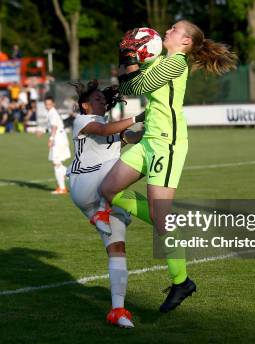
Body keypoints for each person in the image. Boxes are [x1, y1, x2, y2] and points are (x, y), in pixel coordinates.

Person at [98, 21, 237, 313]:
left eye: (174, 29)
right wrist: (128, 61)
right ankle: (166, 224)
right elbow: (132, 87)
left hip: (168, 144)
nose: (167, 31)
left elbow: (139, 86)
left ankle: (182, 281)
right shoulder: (160, 58)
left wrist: (129, 62)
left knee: (161, 220)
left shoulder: (176, 63)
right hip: (150, 139)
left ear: (185, 41)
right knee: (109, 189)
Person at [67, 80, 146, 328]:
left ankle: (118, 310)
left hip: (103, 192)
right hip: (86, 183)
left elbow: (127, 138)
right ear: (85, 104)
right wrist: (138, 116)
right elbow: (104, 131)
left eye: (103, 99)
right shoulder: (83, 120)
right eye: (97, 99)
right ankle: (101, 211)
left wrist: (152, 131)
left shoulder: (110, 126)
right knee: (130, 165)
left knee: (118, 248)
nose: (102, 101)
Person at [45, 96, 71, 194]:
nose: (47, 106)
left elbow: (54, 126)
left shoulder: (53, 113)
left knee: (56, 163)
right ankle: (62, 187)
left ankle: (72, 176)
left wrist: (51, 139)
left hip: (58, 138)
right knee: (57, 163)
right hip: (60, 137)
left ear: (53, 104)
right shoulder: (51, 112)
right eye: (46, 104)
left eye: (49, 104)